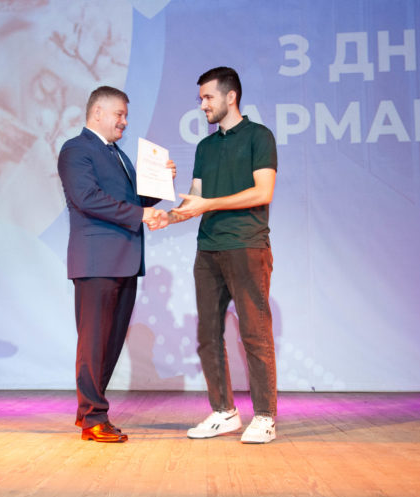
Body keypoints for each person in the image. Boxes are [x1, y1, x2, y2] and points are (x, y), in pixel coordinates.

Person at [168, 67, 278, 443]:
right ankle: (224, 412)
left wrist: (209, 204)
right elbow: (195, 199)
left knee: (254, 333)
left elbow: (263, 192)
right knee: (207, 335)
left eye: (208, 97)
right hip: (208, 249)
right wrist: (166, 215)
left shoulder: (259, 136)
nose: (202, 105)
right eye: (201, 99)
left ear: (231, 97)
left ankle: (264, 417)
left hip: (247, 245)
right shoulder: (205, 147)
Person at [57, 86, 173, 443]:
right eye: (119, 114)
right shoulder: (76, 149)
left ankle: (91, 414)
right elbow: (88, 199)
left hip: (124, 260)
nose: (124, 121)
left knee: (109, 344)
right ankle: (93, 417)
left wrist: (161, 183)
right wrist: (141, 214)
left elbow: (132, 199)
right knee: (94, 343)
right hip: (96, 262)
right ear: (98, 113)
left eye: (126, 115)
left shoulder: (117, 154)